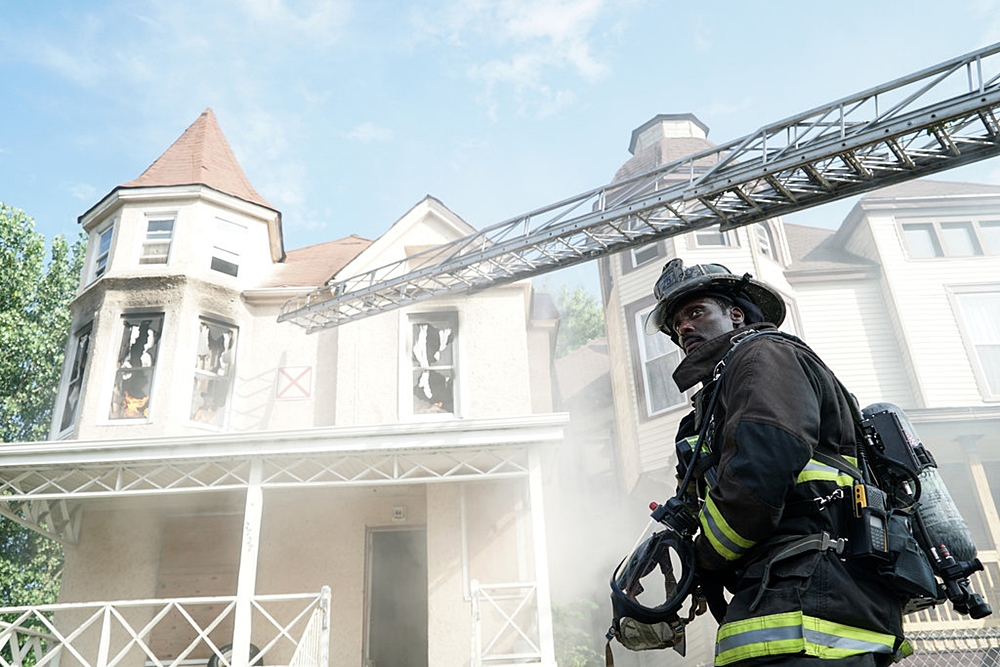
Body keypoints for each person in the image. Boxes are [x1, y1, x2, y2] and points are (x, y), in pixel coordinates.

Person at [644, 259, 907, 667]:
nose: (683, 328)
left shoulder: (763, 356)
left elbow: (760, 474)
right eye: (677, 323)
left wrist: (706, 558)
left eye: (696, 312)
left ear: (736, 314)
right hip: (794, 592)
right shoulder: (720, 393)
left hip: (808, 601)